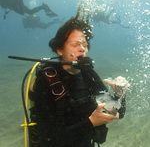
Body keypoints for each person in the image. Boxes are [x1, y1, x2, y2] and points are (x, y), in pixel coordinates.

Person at [28, 16, 126, 147]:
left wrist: (120, 95)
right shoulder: (47, 80)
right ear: (59, 49)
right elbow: (48, 137)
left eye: (85, 45)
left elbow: (117, 114)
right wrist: (90, 122)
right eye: (75, 45)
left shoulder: (88, 74)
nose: (82, 49)